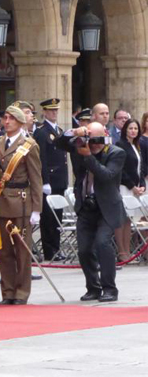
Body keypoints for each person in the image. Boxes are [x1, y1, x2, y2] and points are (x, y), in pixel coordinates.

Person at [56, 122, 124, 302]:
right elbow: (59, 144)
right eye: (89, 139)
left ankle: (110, 289)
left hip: (107, 208)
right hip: (86, 206)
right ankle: (93, 288)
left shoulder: (115, 153)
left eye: (96, 140)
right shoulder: (81, 148)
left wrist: (89, 157)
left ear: (104, 136)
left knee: (103, 243)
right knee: (84, 250)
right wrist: (74, 132)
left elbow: (107, 176)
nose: (92, 144)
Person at [0, 106, 42, 305]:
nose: (7, 121)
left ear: (20, 122)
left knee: (21, 251)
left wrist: (36, 208)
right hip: (1, 200)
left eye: (12, 118)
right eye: (5, 117)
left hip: (21, 202)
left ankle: (21, 292)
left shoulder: (29, 145)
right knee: (4, 252)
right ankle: (8, 292)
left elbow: (35, 178)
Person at [33, 98, 68, 261]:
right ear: (45, 112)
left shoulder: (59, 130)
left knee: (57, 217)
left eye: (56, 110)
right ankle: (49, 250)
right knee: (48, 218)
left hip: (59, 180)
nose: (54, 113)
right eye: (51, 110)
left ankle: (57, 247)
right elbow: (42, 158)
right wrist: (44, 180)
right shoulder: (41, 131)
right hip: (49, 180)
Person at [114, 119, 145, 261]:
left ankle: (128, 250)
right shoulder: (121, 145)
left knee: (129, 220)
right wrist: (132, 186)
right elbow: (122, 170)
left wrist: (141, 184)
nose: (133, 131)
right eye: (130, 128)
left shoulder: (136, 145)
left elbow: (140, 167)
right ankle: (121, 252)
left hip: (135, 186)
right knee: (121, 219)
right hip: (125, 187)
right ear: (125, 129)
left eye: (136, 129)